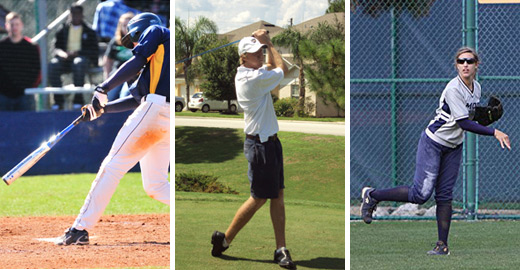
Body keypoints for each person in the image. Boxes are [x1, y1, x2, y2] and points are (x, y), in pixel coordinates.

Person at [360, 47, 511, 255]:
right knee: (420, 194)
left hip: (454, 146)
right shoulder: (453, 89)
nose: (465, 64)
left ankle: (442, 245)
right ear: (456, 65)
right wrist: (494, 131)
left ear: (477, 64)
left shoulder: (476, 87)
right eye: (461, 61)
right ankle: (372, 195)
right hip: (434, 142)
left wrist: (482, 115)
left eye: (469, 61)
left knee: (445, 196)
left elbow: (469, 116)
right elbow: (464, 123)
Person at [55, 12, 170, 246]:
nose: (134, 45)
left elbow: (137, 62)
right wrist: (102, 110)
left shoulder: (157, 31)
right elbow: (136, 99)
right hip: (166, 117)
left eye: (134, 39)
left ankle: (79, 228)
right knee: (156, 185)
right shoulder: (155, 65)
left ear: (142, 29)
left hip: (157, 109)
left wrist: (103, 87)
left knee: (112, 166)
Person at [210, 29, 296, 270]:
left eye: (259, 52)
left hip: (271, 142)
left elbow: (270, 65)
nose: (258, 56)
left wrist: (264, 46)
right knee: (259, 198)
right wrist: (267, 41)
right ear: (243, 58)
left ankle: (281, 249)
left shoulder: (252, 72)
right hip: (259, 145)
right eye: (253, 53)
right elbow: (283, 69)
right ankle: (225, 240)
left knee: (277, 194)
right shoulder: (252, 79)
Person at [48, 4, 99, 110]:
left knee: (78, 63)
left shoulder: (89, 31)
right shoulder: (63, 29)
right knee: (53, 65)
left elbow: (93, 50)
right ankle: (58, 101)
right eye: (72, 14)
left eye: (77, 14)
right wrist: (62, 53)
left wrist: (78, 53)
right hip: (65, 59)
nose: (75, 16)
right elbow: (55, 47)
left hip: (81, 59)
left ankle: (78, 100)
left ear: (82, 15)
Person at [0, 12, 41, 111]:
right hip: (3, 96)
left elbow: (38, 71)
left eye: (17, 24)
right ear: (6, 26)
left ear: (22, 25)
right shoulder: (1, 46)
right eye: (11, 24)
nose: (14, 27)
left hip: (25, 95)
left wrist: (29, 88)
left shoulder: (32, 47)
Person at [103, 12, 136, 101]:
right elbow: (108, 59)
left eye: (129, 25)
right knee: (108, 96)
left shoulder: (139, 41)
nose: (126, 28)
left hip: (134, 75)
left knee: (124, 95)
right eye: (124, 25)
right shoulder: (115, 41)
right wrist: (107, 77)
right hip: (117, 74)